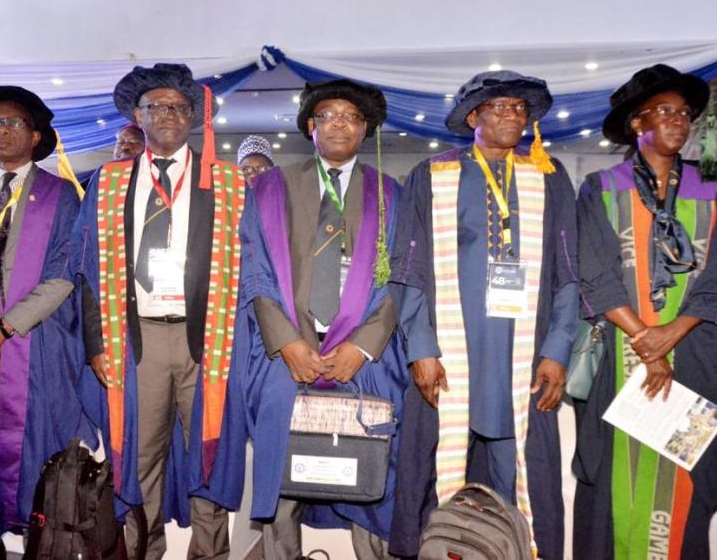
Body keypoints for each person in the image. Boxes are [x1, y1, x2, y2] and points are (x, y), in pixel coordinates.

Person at [212, 79, 409, 559]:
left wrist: (362, 345)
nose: (340, 124)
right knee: (280, 467)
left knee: (374, 465)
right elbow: (254, 270)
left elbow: (403, 276)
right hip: (286, 352)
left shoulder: (389, 193)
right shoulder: (271, 188)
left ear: (365, 129)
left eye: (351, 117)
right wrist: (287, 342)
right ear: (310, 127)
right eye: (328, 116)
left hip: (365, 356)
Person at [388, 70, 579, 560]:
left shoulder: (548, 176)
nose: (512, 115)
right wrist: (421, 347)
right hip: (453, 353)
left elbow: (568, 271)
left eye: (519, 108)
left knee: (521, 475)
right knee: (442, 469)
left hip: (524, 353)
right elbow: (409, 271)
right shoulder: (433, 175)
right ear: (473, 117)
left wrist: (558, 349)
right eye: (499, 107)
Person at [73, 63, 244, 559]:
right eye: (156, 106)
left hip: (208, 340)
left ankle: (210, 553)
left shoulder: (227, 181)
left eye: (178, 107)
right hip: (136, 339)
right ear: (137, 116)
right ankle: (143, 551)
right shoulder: (109, 182)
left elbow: (252, 262)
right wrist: (96, 343)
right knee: (139, 456)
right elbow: (87, 266)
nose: (167, 114)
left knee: (210, 452)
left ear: (193, 116)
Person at [573, 64, 717, 559]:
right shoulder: (601, 186)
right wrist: (647, 343)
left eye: (685, 113)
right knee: (613, 476)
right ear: (637, 123)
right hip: (621, 354)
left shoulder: (711, 188)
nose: (679, 121)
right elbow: (594, 270)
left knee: (687, 476)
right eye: (665, 111)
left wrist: (671, 333)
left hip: (696, 357)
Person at [0, 86, 99, 559]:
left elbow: (64, 273)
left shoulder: (62, 196)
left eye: (11, 122)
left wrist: (5, 328)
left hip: (38, 344)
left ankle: (39, 537)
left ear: (35, 134)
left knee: (37, 444)